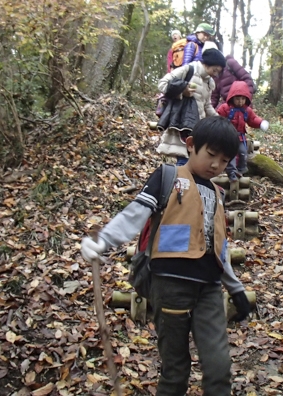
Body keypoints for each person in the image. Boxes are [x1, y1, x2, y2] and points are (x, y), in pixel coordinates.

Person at [80, 117, 252, 396]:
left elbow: (218, 246)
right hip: (170, 285)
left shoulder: (218, 193)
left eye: (223, 160)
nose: (216, 165)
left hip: (208, 288)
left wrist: (236, 288)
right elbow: (135, 214)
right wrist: (103, 241)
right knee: (175, 368)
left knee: (219, 365)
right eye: (210, 155)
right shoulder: (168, 177)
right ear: (191, 145)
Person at [156, 47, 227, 165]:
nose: (215, 74)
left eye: (218, 72)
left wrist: (219, 120)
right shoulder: (188, 70)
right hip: (181, 123)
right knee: (183, 159)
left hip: (197, 126)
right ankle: (177, 181)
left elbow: (207, 105)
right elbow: (162, 84)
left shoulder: (210, 82)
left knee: (191, 160)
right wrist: (182, 90)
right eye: (215, 70)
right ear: (207, 64)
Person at [216, 80, 269, 181]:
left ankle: (241, 170)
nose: (240, 101)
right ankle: (231, 172)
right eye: (237, 99)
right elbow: (218, 117)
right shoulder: (225, 108)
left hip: (240, 137)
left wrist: (261, 123)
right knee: (230, 154)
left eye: (243, 99)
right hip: (228, 137)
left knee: (243, 152)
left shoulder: (247, 110)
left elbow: (252, 119)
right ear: (232, 97)